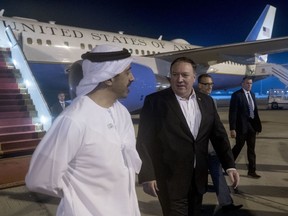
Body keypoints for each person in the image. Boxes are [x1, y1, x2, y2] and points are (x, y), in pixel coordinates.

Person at [25, 44, 142, 216]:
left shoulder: (121, 112)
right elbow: (39, 179)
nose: (132, 78)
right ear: (108, 78)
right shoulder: (74, 120)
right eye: (127, 72)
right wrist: (78, 194)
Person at [136, 57, 240, 216]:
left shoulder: (206, 101)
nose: (179, 79)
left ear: (194, 77)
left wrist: (229, 165)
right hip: (169, 179)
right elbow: (144, 141)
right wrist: (148, 175)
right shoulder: (155, 102)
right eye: (175, 74)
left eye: (184, 75)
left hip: (198, 178)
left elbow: (219, 136)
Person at [197, 74, 243, 212]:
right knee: (198, 179)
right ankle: (195, 207)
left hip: (212, 147)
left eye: (211, 84)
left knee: (218, 175)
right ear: (199, 85)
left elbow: (215, 127)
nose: (210, 87)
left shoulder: (211, 101)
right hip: (200, 149)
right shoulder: (194, 101)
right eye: (206, 84)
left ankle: (226, 203)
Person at [229, 76, 262, 178]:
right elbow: (233, 113)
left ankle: (252, 171)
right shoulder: (237, 95)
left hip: (252, 127)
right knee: (238, 147)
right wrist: (232, 128)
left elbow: (255, 112)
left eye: (251, 83)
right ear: (242, 84)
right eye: (247, 83)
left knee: (251, 150)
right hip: (241, 127)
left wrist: (257, 127)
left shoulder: (252, 94)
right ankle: (228, 165)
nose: (249, 85)